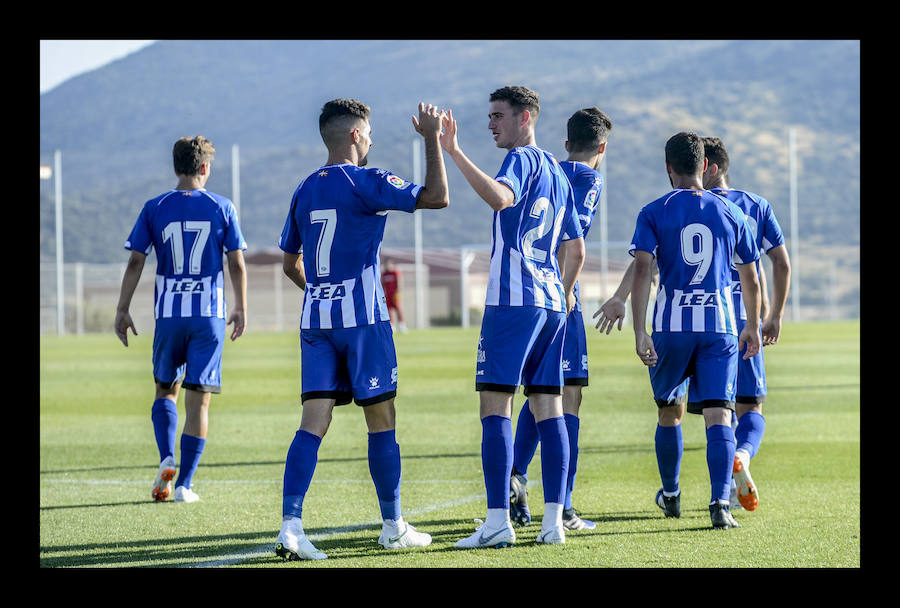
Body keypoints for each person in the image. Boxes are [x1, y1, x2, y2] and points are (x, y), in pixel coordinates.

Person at [274, 99, 450, 561]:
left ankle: (291, 527)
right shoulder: (368, 180)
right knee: (381, 420)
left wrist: (320, 292)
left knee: (312, 422)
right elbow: (436, 196)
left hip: (316, 319)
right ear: (355, 135)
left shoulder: (304, 188)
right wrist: (431, 137)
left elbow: (290, 262)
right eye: (368, 133)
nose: (371, 140)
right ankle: (393, 525)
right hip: (363, 320)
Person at [440, 86, 586, 548]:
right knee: (549, 407)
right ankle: (552, 524)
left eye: (498, 116)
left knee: (495, 404)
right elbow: (576, 249)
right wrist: (560, 294)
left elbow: (501, 199)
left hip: (513, 300)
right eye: (489, 116)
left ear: (526, 118)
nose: (490, 124)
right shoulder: (561, 176)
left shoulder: (521, 160)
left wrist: (454, 152)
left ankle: (498, 521)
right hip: (549, 303)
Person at [629, 132, 761, 530]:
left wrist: (639, 331)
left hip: (672, 327)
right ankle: (721, 502)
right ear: (705, 166)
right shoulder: (731, 212)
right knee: (720, 414)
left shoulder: (653, 211)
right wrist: (752, 325)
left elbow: (641, 270)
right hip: (720, 329)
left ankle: (670, 494)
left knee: (669, 413)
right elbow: (751, 278)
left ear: (668, 167)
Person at [114, 135, 248, 505]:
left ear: (176, 167)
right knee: (199, 402)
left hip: (170, 316)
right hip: (208, 316)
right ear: (205, 168)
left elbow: (136, 261)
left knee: (164, 391)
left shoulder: (154, 207)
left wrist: (122, 308)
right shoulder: (223, 207)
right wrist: (240, 307)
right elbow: (236, 262)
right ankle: (185, 485)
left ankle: (166, 458)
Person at [508, 107, 613, 532]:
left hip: (522, 293)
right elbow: (574, 244)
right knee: (566, 395)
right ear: (602, 147)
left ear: (566, 143)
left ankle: (515, 473)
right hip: (559, 296)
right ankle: (564, 507)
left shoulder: (540, 167)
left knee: (538, 389)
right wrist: (568, 291)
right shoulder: (589, 179)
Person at [701, 136, 791, 513]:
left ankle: (717, 492)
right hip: (744, 320)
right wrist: (774, 315)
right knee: (750, 408)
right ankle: (742, 455)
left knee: (713, 412)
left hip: (701, 319)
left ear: (712, 167)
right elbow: (781, 263)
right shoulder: (756, 205)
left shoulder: (690, 205)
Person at [380, 259, 407, 332]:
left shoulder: (395, 272)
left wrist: (398, 292)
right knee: (389, 310)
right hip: (387, 295)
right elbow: (382, 284)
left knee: (398, 309)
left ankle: (402, 324)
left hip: (395, 294)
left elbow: (399, 282)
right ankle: (392, 325)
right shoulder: (384, 274)